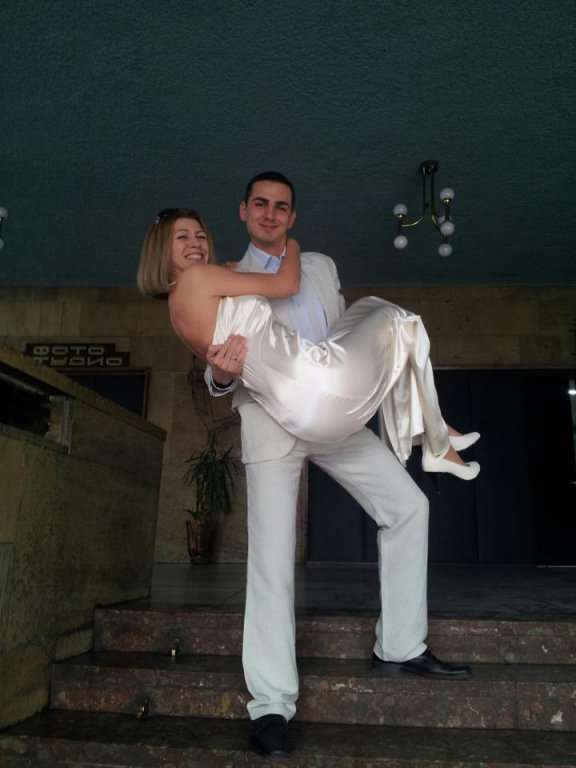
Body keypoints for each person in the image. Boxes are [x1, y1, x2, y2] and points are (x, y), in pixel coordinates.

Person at [137, 177, 477, 758]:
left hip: (329, 407)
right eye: (260, 205)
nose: (270, 214)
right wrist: (220, 374)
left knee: (409, 506)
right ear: (243, 212)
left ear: (292, 216)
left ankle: (401, 645)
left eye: (282, 207)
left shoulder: (318, 266)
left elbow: (342, 335)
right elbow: (214, 366)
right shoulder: (224, 274)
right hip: (270, 419)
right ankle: (271, 703)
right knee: (271, 560)